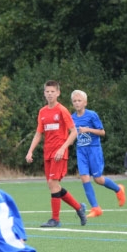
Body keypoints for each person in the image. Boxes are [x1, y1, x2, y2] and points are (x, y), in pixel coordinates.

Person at [25, 80, 87, 228]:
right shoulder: (42, 112)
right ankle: (79, 207)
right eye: (47, 91)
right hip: (47, 153)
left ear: (58, 93)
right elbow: (39, 133)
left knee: (53, 184)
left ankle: (55, 219)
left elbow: (74, 132)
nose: (50, 94)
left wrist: (62, 148)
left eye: (52, 91)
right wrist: (30, 150)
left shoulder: (62, 110)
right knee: (53, 185)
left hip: (59, 154)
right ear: (44, 93)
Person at [69, 90, 125, 218]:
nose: (77, 103)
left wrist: (87, 129)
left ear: (85, 102)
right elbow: (72, 134)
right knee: (84, 177)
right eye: (74, 101)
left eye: (79, 101)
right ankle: (96, 208)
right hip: (81, 151)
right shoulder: (72, 118)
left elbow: (102, 132)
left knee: (98, 179)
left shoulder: (92, 115)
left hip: (94, 150)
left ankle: (118, 189)